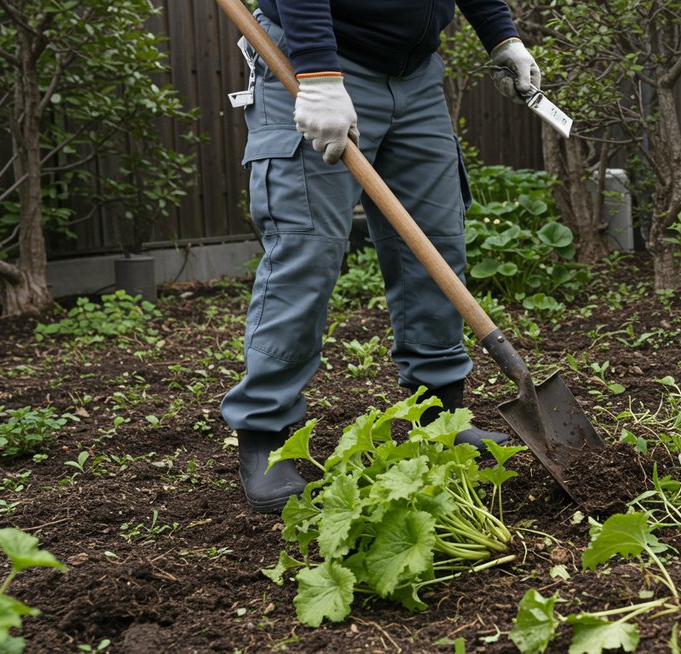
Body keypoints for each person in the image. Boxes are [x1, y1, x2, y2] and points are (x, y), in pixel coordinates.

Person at [220, 0, 541, 514]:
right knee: (307, 252)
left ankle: (438, 415)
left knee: (436, 246)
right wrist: (322, 77)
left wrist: (503, 36)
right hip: (315, 64)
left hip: (414, 76)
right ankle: (265, 434)